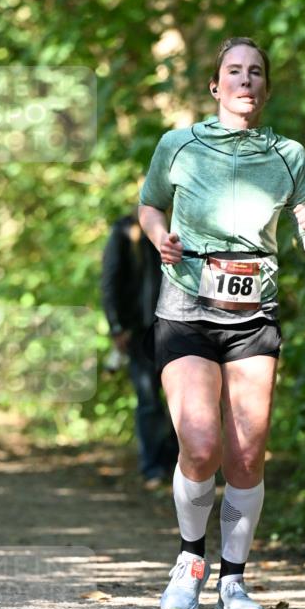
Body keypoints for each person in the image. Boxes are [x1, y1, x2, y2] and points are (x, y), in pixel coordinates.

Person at [138, 37, 305, 609]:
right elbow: (149, 206)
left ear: (265, 89)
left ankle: (234, 582)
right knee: (200, 445)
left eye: (255, 73)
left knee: (247, 454)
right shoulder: (179, 145)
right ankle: (189, 562)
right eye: (233, 71)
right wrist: (158, 237)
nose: (244, 80)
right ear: (215, 86)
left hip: (254, 316)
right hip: (187, 308)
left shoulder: (289, 155)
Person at [101, 208, 180, 486]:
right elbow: (110, 281)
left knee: (180, 401)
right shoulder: (126, 231)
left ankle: (175, 464)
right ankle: (152, 468)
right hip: (140, 331)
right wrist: (116, 326)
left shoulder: (182, 225)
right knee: (148, 402)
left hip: (178, 329)